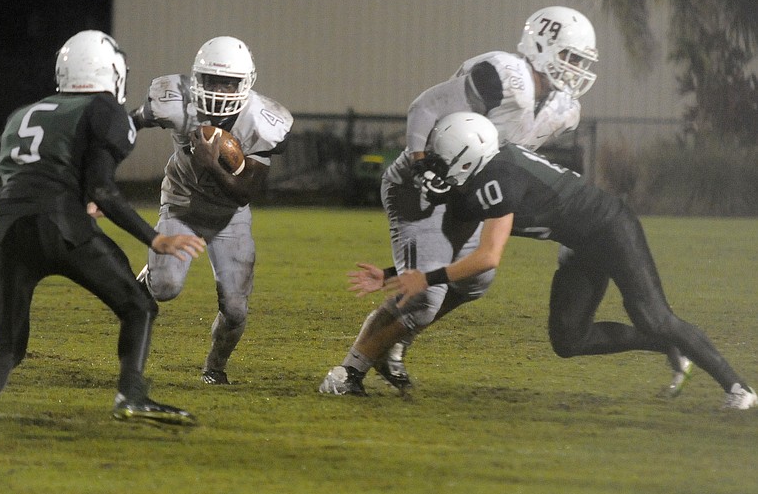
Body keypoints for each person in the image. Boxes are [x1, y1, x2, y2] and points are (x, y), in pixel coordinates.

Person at [322, 6, 690, 397]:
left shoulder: (564, 111)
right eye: (569, 56)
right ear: (541, 45)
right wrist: (419, 163)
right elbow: (425, 108)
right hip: (422, 188)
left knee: (474, 278)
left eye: (580, 60)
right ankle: (347, 372)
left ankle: (395, 343)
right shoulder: (503, 75)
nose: (575, 68)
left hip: (465, 192)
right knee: (426, 295)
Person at [324, 112, 757, 409]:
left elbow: (487, 257)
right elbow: (449, 251)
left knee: (653, 314)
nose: (433, 166)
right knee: (569, 340)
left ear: (467, 157)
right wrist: (390, 273)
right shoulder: (475, 179)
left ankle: (738, 387)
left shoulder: (496, 179)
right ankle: (663, 343)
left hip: (610, 228)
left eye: (441, 159)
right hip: (580, 244)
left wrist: (428, 278)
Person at [0, 30, 207, 437]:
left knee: (8, 346)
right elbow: (101, 187)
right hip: (61, 225)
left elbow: (33, 175)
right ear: (111, 70)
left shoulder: (22, 114)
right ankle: (130, 396)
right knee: (139, 306)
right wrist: (155, 239)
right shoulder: (103, 109)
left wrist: (82, 196)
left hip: (6, 230)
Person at [131, 36, 293, 385]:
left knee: (235, 310)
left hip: (229, 217)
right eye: (212, 80)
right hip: (181, 204)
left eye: (228, 82)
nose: (219, 89)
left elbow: (246, 192)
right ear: (196, 79)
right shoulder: (176, 101)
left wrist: (211, 164)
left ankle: (214, 368)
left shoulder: (262, 120)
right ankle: (148, 279)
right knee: (166, 288)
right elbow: (131, 123)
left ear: (246, 83)